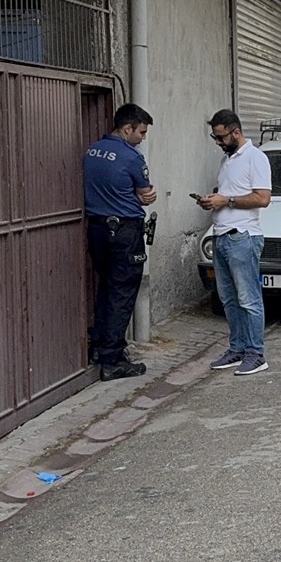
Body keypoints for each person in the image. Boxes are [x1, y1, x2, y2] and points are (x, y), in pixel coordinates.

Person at [84, 103, 157, 381]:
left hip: (97, 229)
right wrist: (146, 197)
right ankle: (113, 359)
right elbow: (145, 193)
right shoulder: (131, 157)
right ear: (127, 129)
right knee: (123, 292)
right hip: (124, 231)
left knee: (106, 288)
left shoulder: (91, 151)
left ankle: (99, 346)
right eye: (141, 131)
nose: (143, 137)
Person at [200, 109, 273, 375]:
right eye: (215, 138)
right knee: (228, 299)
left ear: (236, 132)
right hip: (221, 235)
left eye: (221, 138)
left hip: (243, 237)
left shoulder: (256, 158)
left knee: (248, 299)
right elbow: (229, 194)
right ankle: (238, 348)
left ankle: (256, 353)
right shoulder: (227, 161)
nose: (218, 143)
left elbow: (263, 198)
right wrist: (213, 199)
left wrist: (226, 201)